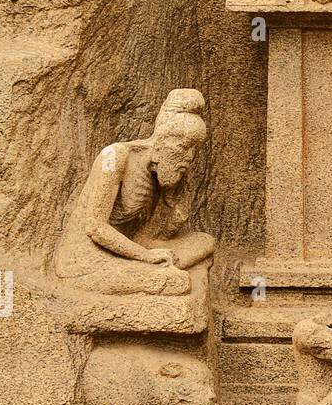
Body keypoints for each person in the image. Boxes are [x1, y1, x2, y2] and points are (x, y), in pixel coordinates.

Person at [53, 89, 214, 296]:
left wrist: (173, 209)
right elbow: (95, 227)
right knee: (176, 282)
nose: (189, 157)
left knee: (206, 241)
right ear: (164, 141)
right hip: (88, 257)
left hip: (133, 248)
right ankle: (154, 269)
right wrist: (145, 256)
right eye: (184, 147)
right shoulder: (115, 157)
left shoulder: (167, 174)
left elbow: (147, 237)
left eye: (194, 151)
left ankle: (156, 267)